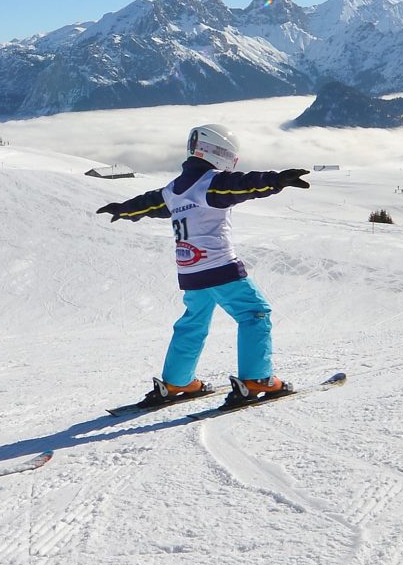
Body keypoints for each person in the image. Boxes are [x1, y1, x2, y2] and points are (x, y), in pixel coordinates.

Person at [98, 123, 309, 405]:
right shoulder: (212, 182)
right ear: (218, 153)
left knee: (193, 323)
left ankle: (177, 383)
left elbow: (148, 203)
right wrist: (276, 180)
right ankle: (257, 380)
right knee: (254, 313)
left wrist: (123, 209)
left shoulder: (174, 190)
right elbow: (244, 185)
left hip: (191, 272)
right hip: (219, 266)